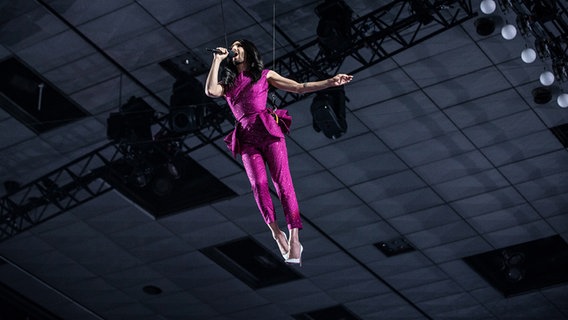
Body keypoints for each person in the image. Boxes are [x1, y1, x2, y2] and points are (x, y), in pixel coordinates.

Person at [205, 39, 352, 265]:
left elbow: (298, 87)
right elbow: (211, 90)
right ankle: (276, 232)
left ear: (248, 50)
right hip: (246, 136)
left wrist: (330, 82)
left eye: (238, 45)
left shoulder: (265, 75)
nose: (234, 49)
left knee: (282, 183)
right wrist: (217, 59)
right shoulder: (229, 81)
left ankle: (294, 234)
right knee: (258, 185)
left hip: (268, 130)